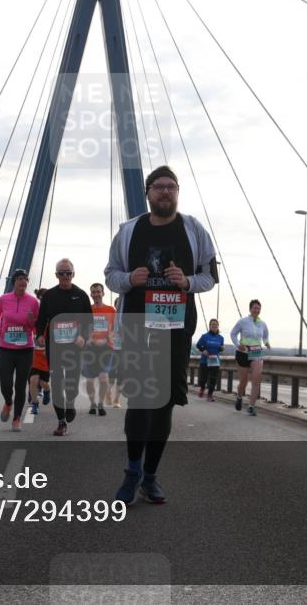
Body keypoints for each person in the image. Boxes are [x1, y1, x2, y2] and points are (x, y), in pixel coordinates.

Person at [105, 165, 216, 504]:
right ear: (148, 192)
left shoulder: (194, 230)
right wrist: (128, 280)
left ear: (177, 192)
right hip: (138, 328)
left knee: (164, 407)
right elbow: (110, 275)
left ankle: (150, 477)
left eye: (171, 186)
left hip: (176, 332)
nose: (165, 192)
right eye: (158, 187)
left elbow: (209, 277)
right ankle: (132, 472)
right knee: (139, 403)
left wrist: (186, 282)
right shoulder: (128, 232)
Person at [36, 259, 93, 436]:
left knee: (72, 384)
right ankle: (61, 422)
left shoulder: (81, 295)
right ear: (56, 275)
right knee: (57, 383)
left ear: (73, 274)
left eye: (68, 273)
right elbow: (41, 319)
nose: (65, 276)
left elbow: (89, 321)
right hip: (55, 348)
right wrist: (39, 335)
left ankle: (70, 402)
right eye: (61, 273)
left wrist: (84, 336)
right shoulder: (49, 296)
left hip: (75, 348)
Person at [0, 268, 39, 431]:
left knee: (20, 385)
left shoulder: (33, 302)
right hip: (6, 348)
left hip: (25, 349)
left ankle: (17, 418)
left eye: (26, 279)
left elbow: (36, 326)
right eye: (20, 279)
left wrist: (33, 322)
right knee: (5, 383)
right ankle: (8, 402)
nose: (23, 281)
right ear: (14, 282)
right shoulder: (4, 299)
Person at [230, 300, 270, 416]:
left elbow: (266, 336)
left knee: (257, 379)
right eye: (254, 308)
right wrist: (238, 345)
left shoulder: (262, 323)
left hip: (257, 352)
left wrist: (266, 342)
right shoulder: (243, 321)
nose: (256, 310)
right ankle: (239, 396)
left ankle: (251, 406)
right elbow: (233, 334)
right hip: (243, 352)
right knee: (244, 381)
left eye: (258, 308)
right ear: (250, 309)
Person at [84, 282, 116, 416]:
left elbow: (115, 329)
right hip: (90, 349)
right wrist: (88, 339)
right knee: (90, 380)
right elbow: (82, 328)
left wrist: (107, 338)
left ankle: (101, 404)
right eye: (94, 292)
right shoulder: (87, 310)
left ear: (102, 293)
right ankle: (92, 403)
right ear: (91, 294)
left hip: (106, 348)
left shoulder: (111, 310)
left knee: (103, 377)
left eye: (98, 291)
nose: (96, 294)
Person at [27, 288, 51, 416]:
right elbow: (32, 328)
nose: (42, 299)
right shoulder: (37, 312)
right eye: (40, 297)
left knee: (43, 383)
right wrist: (30, 320)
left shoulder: (52, 313)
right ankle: (35, 403)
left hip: (46, 356)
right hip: (35, 354)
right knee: (33, 380)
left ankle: (47, 390)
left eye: (45, 297)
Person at [196, 318, 224, 401]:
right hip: (205, 360)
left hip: (215, 361)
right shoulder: (204, 336)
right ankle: (202, 388)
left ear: (218, 326)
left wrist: (222, 348)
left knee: (213, 379)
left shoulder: (221, 338)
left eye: (216, 324)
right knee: (203, 379)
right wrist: (203, 350)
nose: (214, 326)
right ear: (210, 326)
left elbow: (220, 348)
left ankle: (210, 395)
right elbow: (198, 345)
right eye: (213, 324)